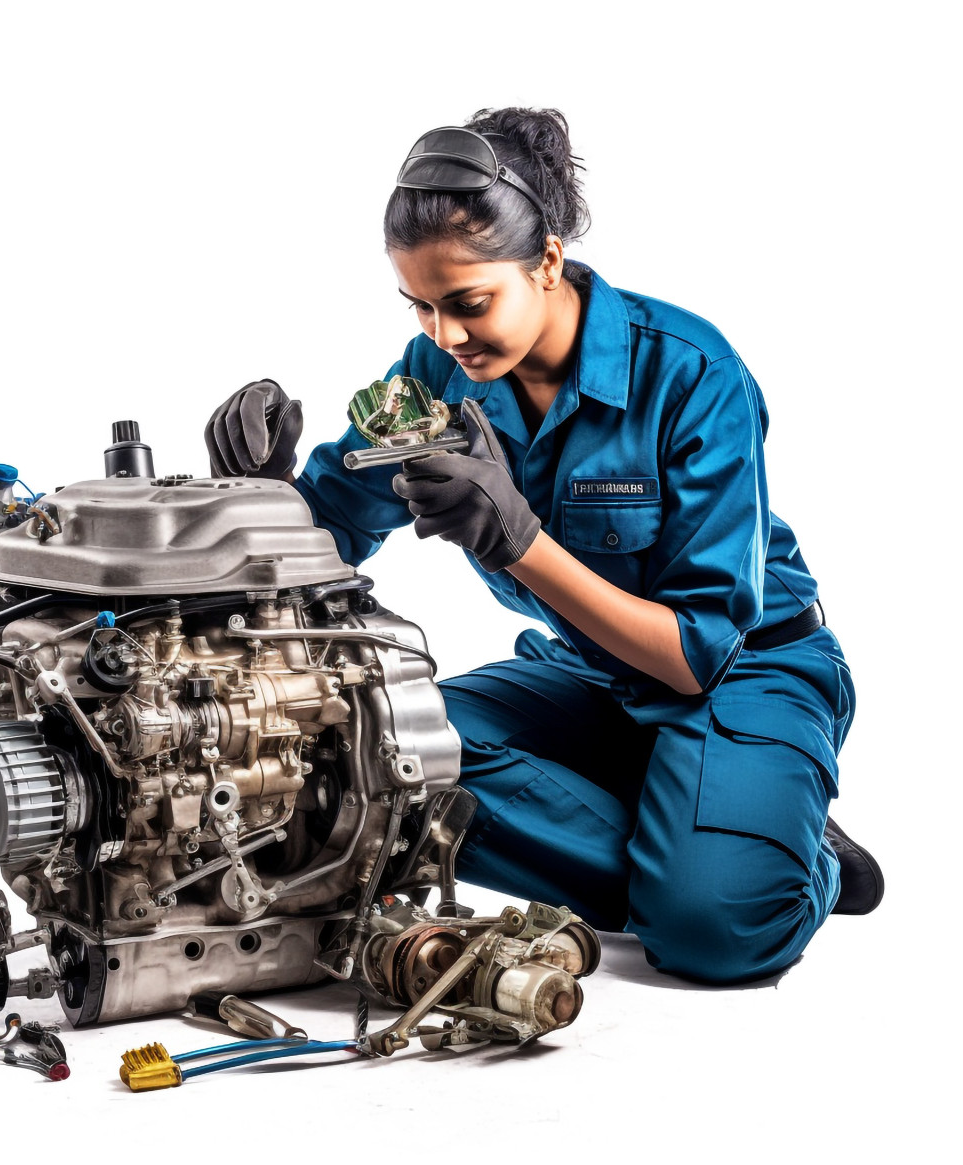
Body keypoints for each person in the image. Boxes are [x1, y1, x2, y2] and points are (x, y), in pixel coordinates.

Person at [204, 107, 883, 984]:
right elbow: (332, 528)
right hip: (592, 673)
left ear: (549, 262)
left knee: (716, 931)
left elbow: (695, 657)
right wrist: (254, 488)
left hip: (747, 672)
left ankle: (788, 856)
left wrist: (518, 540)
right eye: (418, 305)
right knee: (369, 751)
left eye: (468, 304)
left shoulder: (692, 373)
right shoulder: (436, 375)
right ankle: (698, 824)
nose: (442, 335)